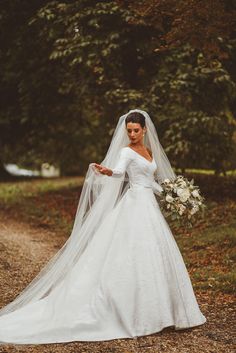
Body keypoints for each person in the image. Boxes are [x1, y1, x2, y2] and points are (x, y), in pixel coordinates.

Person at [0, 109, 206, 345]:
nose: (131, 134)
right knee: (130, 254)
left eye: (135, 130)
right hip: (134, 205)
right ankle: (133, 315)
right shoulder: (126, 151)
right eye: (128, 130)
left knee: (155, 253)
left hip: (149, 204)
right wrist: (108, 171)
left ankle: (165, 312)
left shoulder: (148, 151)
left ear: (145, 130)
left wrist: (174, 196)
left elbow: (149, 181)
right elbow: (119, 171)